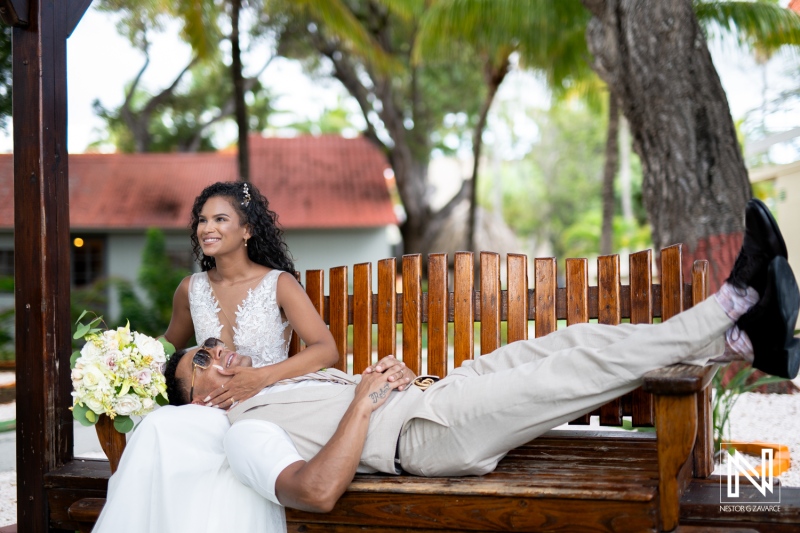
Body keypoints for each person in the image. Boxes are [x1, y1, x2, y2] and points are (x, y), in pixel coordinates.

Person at [162, 198, 799, 514]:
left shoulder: (263, 394)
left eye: (213, 345)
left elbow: (340, 389)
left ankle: (742, 342)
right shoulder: (243, 429)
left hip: (434, 395)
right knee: (574, 372)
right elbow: (317, 490)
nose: (219, 350)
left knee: (571, 338)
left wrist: (381, 381)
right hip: (427, 435)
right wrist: (365, 400)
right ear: (198, 400)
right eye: (203, 359)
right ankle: (734, 299)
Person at [93, 181, 338, 532]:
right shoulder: (190, 289)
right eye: (202, 220)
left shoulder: (279, 284)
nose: (208, 228)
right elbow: (164, 351)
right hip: (208, 409)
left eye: (220, 219)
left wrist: (262, 377)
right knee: (156, 427)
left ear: (247, 229)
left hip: (263, 407)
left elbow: (326, 349)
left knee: (164, 430)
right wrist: (113, 366)